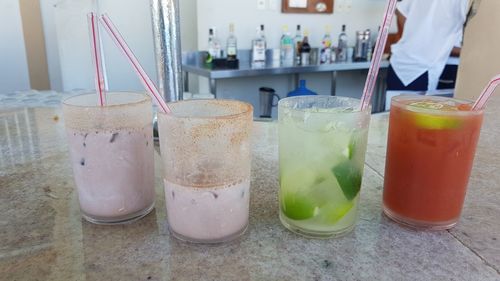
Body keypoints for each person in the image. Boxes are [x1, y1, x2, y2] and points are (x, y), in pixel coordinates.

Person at [387, 0, 469, 92]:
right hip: (424, 69)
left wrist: (411, 39)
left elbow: (400, 10)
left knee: (395, 105)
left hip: (400, 63)